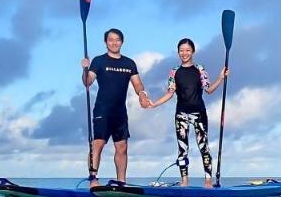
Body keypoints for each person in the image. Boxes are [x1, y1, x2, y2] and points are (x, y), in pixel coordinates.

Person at [145, 38, 228, 186]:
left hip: (199, 114)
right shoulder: (174, 71)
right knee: (182, 148)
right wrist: (155, 104)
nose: (184, 53)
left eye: (187, 50)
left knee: (204, 146)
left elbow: (208, 90)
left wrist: (221, 78)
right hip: (181, 114)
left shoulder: (200, 69)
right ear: (178, 52)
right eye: (181, 50)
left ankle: (208, 181)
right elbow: (170, 93)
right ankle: (184, 181)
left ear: (193, 52)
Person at [81, 28, 152, 186]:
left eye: (117, 39)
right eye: (111, 39)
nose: (114, 42)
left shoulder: (129, 63)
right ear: (106, 42)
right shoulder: (99, 61)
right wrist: (85, 68)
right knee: (98, 144)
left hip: (120, 112)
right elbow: (87, 82)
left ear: (122, 41)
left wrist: (142, 95)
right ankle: (93, 179)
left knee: (122, 147)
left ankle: (121, 182)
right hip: (102, 110)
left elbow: (137, 83)